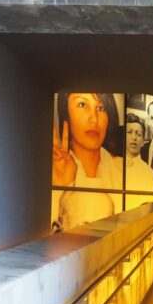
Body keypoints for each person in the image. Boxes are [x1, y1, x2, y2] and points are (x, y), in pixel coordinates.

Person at [52, 92, 122, 230]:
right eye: (82, 104)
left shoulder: (124, 170)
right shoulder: (52, 172)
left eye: (101, 108)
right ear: (66, 114)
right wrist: (61, 188)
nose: (94, 119)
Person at [123, 113, 153, 208]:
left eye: (139, 134)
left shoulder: (148, 172)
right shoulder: (112, 163)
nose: (134, 137)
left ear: (143, 142)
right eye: (129, 132)